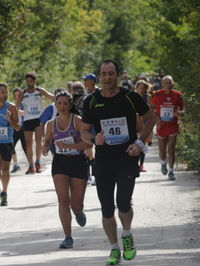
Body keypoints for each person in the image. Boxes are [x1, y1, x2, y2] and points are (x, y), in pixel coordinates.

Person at [81, 59, 157, 265]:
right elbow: (84, 130)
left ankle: (127, 234)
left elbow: (151, 118)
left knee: (123, 203)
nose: (107, 77)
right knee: (106, 207)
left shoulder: (130, 97)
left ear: (117, 75)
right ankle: (114, 248)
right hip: (103, 159)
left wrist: (139, 144)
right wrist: (93, 139)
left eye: (110, 73)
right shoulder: (90, 101)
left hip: (126, 157)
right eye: (103, 74)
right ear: (99, 76)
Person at [42, 91, 92, 249]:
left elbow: (89, 145)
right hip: (60, 163)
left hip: (78, 162)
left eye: (65, 104)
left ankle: (78, 212)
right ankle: (68, 237)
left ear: (70, 105)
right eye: (59, 104)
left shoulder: (77, 121)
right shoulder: (50, 124)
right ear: (55, 105)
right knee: (63, 201)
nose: (62, 107)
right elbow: (48, 141)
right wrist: (44, 147)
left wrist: (69, 146)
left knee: (76, 204)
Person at [16, 72, 55, 174]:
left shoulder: (39, 90)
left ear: (34, 81)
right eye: (27, 81)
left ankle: (37, 162)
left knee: (38, 141)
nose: (29, 83)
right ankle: (31, 165)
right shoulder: (23, 93)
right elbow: (16, 107)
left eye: (31, 81)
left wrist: (62, 98)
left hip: (38, 119)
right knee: (29, 143)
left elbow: (52, 97)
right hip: (28, 119)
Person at [151, 75, 184, 180]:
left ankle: (171, 171)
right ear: (162, 84)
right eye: (166, 83)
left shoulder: (177, 95)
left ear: (172, 84)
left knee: (171, 149)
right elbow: (152, 109)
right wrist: (157, 120)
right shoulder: (157, 95)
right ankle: (163, 162)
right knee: (162, 151)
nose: (168, 85)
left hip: (173, 125)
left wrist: (179, 112)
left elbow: (182, 110)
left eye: (170, 83)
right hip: (161, 126)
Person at [82, 73, 99, 185]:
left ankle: (97, 175)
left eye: (86, 80)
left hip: (98, 124)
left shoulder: (99, 92)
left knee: (99, 150)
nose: (84, 82)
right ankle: (89, 175)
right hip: (87, 124)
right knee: (87, 149)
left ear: (92, 82)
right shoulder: (84, 93)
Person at [134, 80, 153, 172]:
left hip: (145, 122)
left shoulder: (147, 97)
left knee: (143, 143)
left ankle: (141, 164)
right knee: (135, 142)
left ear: (145, 89)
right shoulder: (133, 96)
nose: (141, 90)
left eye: (143, 88)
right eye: (139, 88)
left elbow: (151, 109)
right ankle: (135, 164)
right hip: (135, 122)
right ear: (136, 88)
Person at [10, 88, 27, 173]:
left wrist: (17, 111)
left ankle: (31, 164)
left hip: (24, 128)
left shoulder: (25, 104)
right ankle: (16, 164)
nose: (17, 97)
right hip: (15, 128)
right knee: (11, 145)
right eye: (15, 95)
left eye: (18, 95)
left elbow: (26, 113)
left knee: (25, 147)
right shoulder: (11, 105)